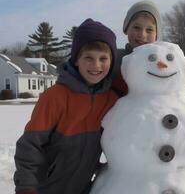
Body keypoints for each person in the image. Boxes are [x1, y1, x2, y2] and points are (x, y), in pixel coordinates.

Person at [13, 18, 118, 194]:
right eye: (88, 58)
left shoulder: (111, 100)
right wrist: (26, 188)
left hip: (82, 188)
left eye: (103, 58)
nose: (96, 65)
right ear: (76, 60)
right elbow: (29, 146)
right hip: (45, 189)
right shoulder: (54, 97)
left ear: (112, 61)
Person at [112, 0, 161, 96]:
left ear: (156, 34)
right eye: (136, 27)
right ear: (126, 29)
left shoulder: (161, 62)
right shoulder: (114, 59)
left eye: (149, 30)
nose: (142, 35)